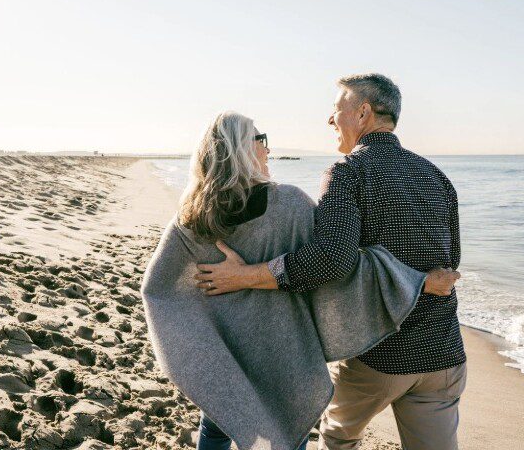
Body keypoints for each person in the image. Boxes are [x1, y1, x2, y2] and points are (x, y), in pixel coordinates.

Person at [142, 110, 458, 450]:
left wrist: (198, 340)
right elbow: (340, 264)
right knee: (287, 430)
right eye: (260, 140)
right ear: (242, 149)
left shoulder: (191, 216)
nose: (266, 149)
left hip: (226, 349)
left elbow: (158, 289)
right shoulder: (288, 204)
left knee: (218, 423)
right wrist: (418, 281)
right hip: (284, 348)